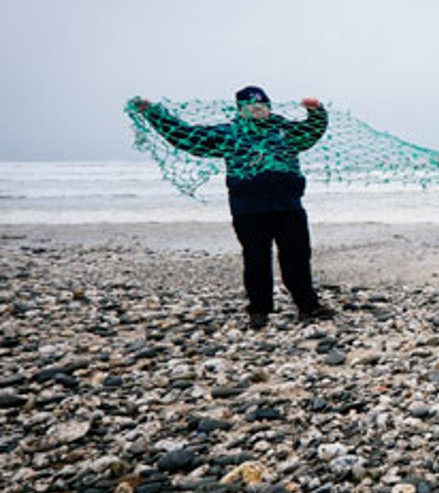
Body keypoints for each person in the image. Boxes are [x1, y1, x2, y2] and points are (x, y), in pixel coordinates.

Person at [127, 86, 336, 329]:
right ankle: (259, 310)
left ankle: (308, 307)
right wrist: (153, 113)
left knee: (297, 257)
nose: (257, 109)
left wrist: (317, 112)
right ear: (240, 109)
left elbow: (312, 132)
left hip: (288, 207)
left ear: (269, 107)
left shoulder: (286, 131)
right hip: (248, 210)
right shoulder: (229, 134)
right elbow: (186, 136)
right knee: (256, 260)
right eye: (250, 105)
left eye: (262, 105)